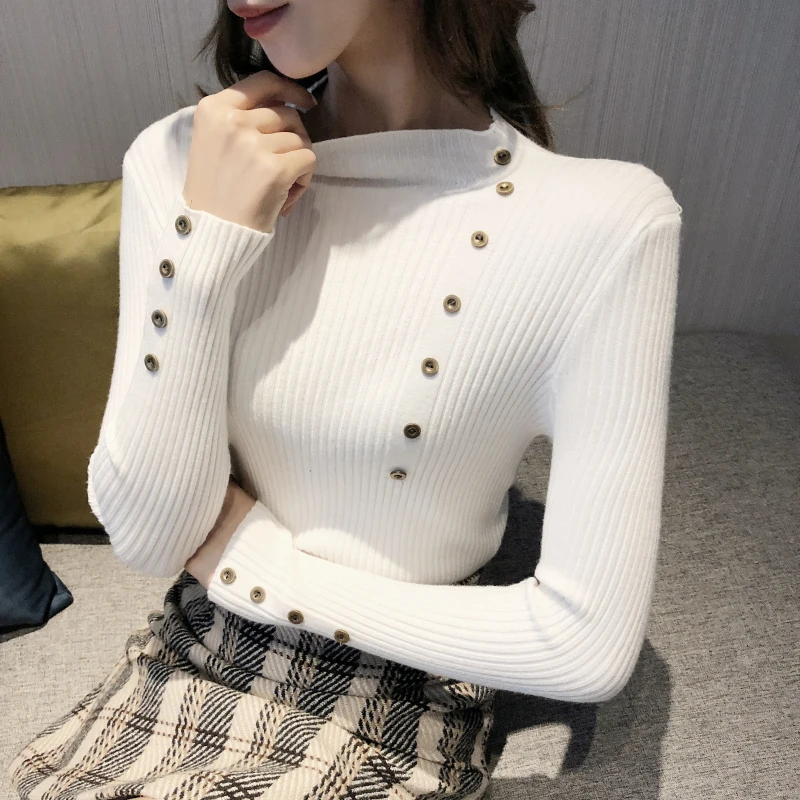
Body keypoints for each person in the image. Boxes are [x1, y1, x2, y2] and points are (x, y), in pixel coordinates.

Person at [8, 0, 683, 798]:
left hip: (396, 695)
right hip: (191, 660)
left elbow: (584, 646)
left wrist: (254, 565)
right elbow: (152, 535)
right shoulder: (186, 157)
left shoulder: (606, 221)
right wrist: (204, 251)